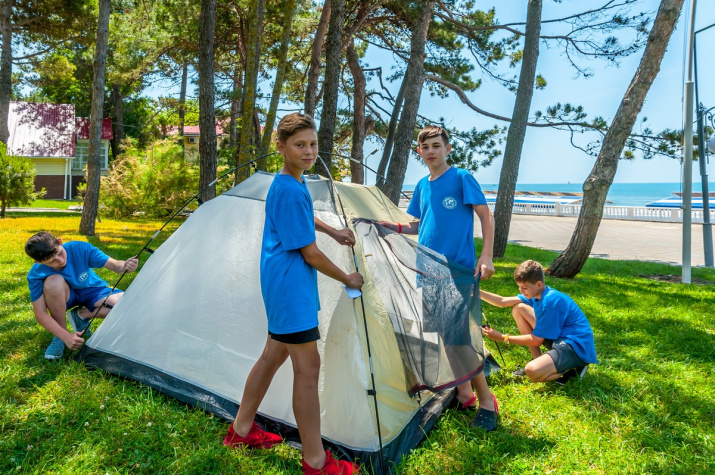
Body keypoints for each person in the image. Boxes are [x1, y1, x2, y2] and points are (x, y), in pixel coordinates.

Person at [222, 113, 362, 475]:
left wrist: (333, 231)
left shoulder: (293, 182)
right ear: (281, 147)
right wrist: (348, 278)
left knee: (272, 355)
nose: (308, 151)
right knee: (307, 367)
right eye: (300, 145)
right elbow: (309, 253)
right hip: (290, 286)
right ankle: (316, 462)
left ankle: (240, 430)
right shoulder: (286, 186)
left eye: (313, 144)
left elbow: (303, 215)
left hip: (284, 282)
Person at [379, 125, 499, 431]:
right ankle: (465, 393)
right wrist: (390, 227)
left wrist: (486, 256)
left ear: (447, 148)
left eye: (436, 145)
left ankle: (488, 402)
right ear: (420, 153)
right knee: (445, 336)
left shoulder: (461, 178)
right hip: (427, 270)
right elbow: (418, 225)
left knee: (460, 337)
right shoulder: (422, 185)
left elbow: (485, 215)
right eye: (425, 147)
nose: (431, 151)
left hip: (456, 269)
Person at [480, 260, 597, 384]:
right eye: (519, 287)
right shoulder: (536, 294)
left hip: (575, 347)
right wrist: (475, 292)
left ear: (539, 284)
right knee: (519, 309)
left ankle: (572, 370)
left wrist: (503, 337)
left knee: (532, 371)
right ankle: (539, 360)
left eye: (524, 288)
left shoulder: (550, 301)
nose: (521, 291)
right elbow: (502, 302)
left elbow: (537, 340)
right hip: (559, 338)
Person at [25, 232, 139, 360]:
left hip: (91, 289)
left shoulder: (79, 248)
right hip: (63, 297)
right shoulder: (35, 274)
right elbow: (40, 314)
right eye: (52, 262)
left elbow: (115, 265)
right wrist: (66, 336)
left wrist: (125, 265)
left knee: (122, 305)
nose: (61, 261)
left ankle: (80, 315)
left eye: (60, 253)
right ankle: (60, 336)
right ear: (38, 262)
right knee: (53, 282)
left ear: (60, 242)